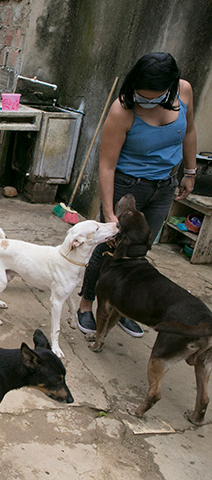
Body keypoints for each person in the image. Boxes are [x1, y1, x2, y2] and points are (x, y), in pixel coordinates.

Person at [77, 52, 197, 337]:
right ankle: (86, 303)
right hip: (128, 187)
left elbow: (189, 132)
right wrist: (109, 213)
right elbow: (106, 165)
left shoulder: (184, 91)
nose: (147, 102)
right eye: (142, 96)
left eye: (154, 97)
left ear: (170, 88)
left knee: (138, 251)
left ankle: (121, 307)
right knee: (108, 248)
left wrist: (190, 172)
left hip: (165, 185)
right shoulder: (123, 110)